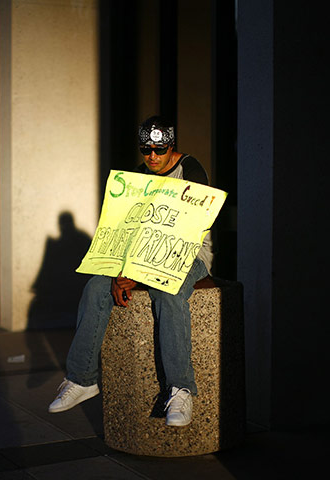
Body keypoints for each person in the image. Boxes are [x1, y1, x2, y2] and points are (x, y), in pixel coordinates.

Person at [48, 116, 213, 427]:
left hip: (188, 254)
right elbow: (128, 228)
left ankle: (181, 390)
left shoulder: (191, 171)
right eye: (146, 150)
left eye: (159, 150)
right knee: (97, 285)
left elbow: (182, 233)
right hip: (142, 254)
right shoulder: (140, 175)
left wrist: (137, 274)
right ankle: (82, 379)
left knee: (168, 289)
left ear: (171, 147)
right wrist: (120, 270)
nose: (152, 156)